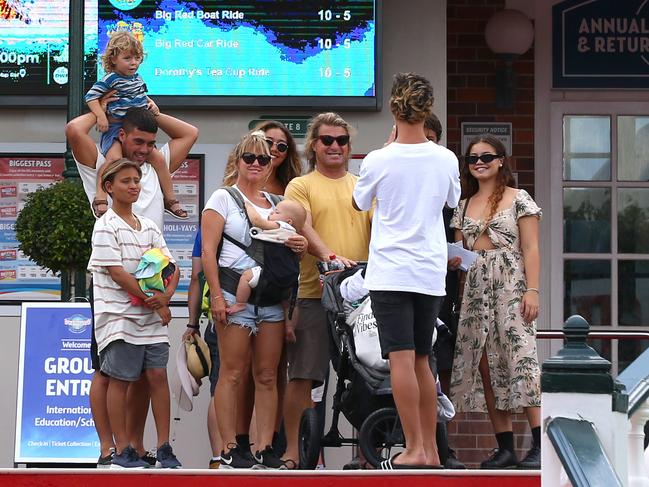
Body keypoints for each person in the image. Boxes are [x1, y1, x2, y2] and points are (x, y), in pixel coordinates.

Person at [65, 101, 198, 466]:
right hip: (115, 289)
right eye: (137, 141)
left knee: (147, 373)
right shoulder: (104, 169)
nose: (142, 151)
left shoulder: (154, 168)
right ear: (122, 136)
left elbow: (189, 133)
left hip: (153, 285)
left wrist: (148, 111)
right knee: (108, 371)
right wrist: (102, 108)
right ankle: (109, 446)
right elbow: (75, 131)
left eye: (149, 143)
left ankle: (136, 447)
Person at [353, 73, 460, 469]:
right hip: (430, 271)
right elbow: (452, 198)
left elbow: (359, 202)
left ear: (394, 110)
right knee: (422, 359)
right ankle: (430, 449)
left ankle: (414, 448)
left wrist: (386, 148)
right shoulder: (445, 157)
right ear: (427, 108)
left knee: (400, 359)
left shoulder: (379, 160)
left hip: (391, 271)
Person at [201, 132, 307, 469]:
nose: (257, 164)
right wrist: (216, 296)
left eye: (264, 158)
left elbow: (294, 242)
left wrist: (301, 245)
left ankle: (263, 447)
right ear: (238, 159)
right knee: (231, 374)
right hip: (234, 294)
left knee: (267, 375)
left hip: (272, 299)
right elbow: (207, 252)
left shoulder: (277, 204)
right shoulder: (222, 198)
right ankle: (230, 445)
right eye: (250, 157)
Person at [282, 112, 372, 468]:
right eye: (327, 140)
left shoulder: (362, 185)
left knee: (368, 376)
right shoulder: (301, 186)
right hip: (314, 292)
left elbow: (379, 227)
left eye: (342, 140)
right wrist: (330, 256)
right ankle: (293, 452)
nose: (335, 146)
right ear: (314, 146)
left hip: (362, 297)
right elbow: (299, 222)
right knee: (305, 374)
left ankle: (368, 455)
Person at [449, 134, 542, 470]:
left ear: (501, 160)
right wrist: (454, 261)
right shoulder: (463, 205)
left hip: (512, 283)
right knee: (486, 366)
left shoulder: (520, 199)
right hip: (475, 288)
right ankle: (505, 447)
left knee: (521, 359)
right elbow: (462, 250)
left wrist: (533, 290)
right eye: (473, 158)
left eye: (487, 157)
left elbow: (531, 248)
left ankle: (540, 442)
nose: (479, 163)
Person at [87, 158, 181, 469]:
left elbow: (170, 266)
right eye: (126, 181)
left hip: (151, 318)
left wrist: (165, 298)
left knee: (157, 375)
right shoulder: (105, 225)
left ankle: (164, 446)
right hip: (118, 318)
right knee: (120, 379)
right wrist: (153, 300)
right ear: (109, 187)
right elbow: (116, 273)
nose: (133, 186)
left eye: (136, 180)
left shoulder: (150, 225)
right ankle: (122, 448)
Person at [84, 31, 187, 220]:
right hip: (115, 129)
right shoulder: (110, 79)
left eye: (137, 58)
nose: (133, 62)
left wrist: (152, 104)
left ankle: (170, 199)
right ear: (113, 59)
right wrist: (101, 116)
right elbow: (90, 97)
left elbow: (141, 95)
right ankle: (100, 195)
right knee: (113, 161)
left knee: (159, 160)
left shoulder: (137, 78)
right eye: (127, 58)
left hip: (135, 125)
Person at [183, 230, 223, 469]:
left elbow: (197, 277)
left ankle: (218, 457)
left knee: (220, 388)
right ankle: (250, 452)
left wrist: (192, 323)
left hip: (216, 319)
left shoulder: (208, 226)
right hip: (253, 315)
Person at [227, 199, 306, 315]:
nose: (271, 213)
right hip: (290, 276)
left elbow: (257, 221)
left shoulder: (282, 226)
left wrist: (248, 205)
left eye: (276, 212)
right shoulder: (293, 234)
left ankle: (240, 304)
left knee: (246, 277)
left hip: (270, 273)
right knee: (289, 303)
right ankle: (289, 327)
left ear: (288, 221)